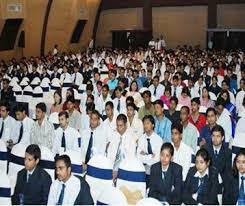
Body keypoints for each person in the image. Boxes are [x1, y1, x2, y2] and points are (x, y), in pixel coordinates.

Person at [107, 114, 137, 181]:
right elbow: (109, 154)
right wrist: (111, 168)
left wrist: (118, 170)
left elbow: (131, 158)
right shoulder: (113, 136)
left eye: (121, 125)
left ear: (126, 125)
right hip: (113, 167)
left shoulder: (131, 138)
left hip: (125, 168)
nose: (119, 128)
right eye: (117, 125)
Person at [204, 125, 232, 193]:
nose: (215, 138)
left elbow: (227, 174)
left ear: (222, 138)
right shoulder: (205, 149)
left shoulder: (228, 152)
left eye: (218, 136)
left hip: (221, 185)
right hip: (206, 183)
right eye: (213, 135)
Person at [137, 115, 163, 187]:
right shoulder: (141, 139)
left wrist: (145, 155)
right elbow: (138, 157)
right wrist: (151, 156)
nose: (145, 125)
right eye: (144, 123)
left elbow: (156, 159)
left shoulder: (158, 140)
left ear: (153, 125)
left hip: (154, 172)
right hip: (142, 171)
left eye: (147, 123)